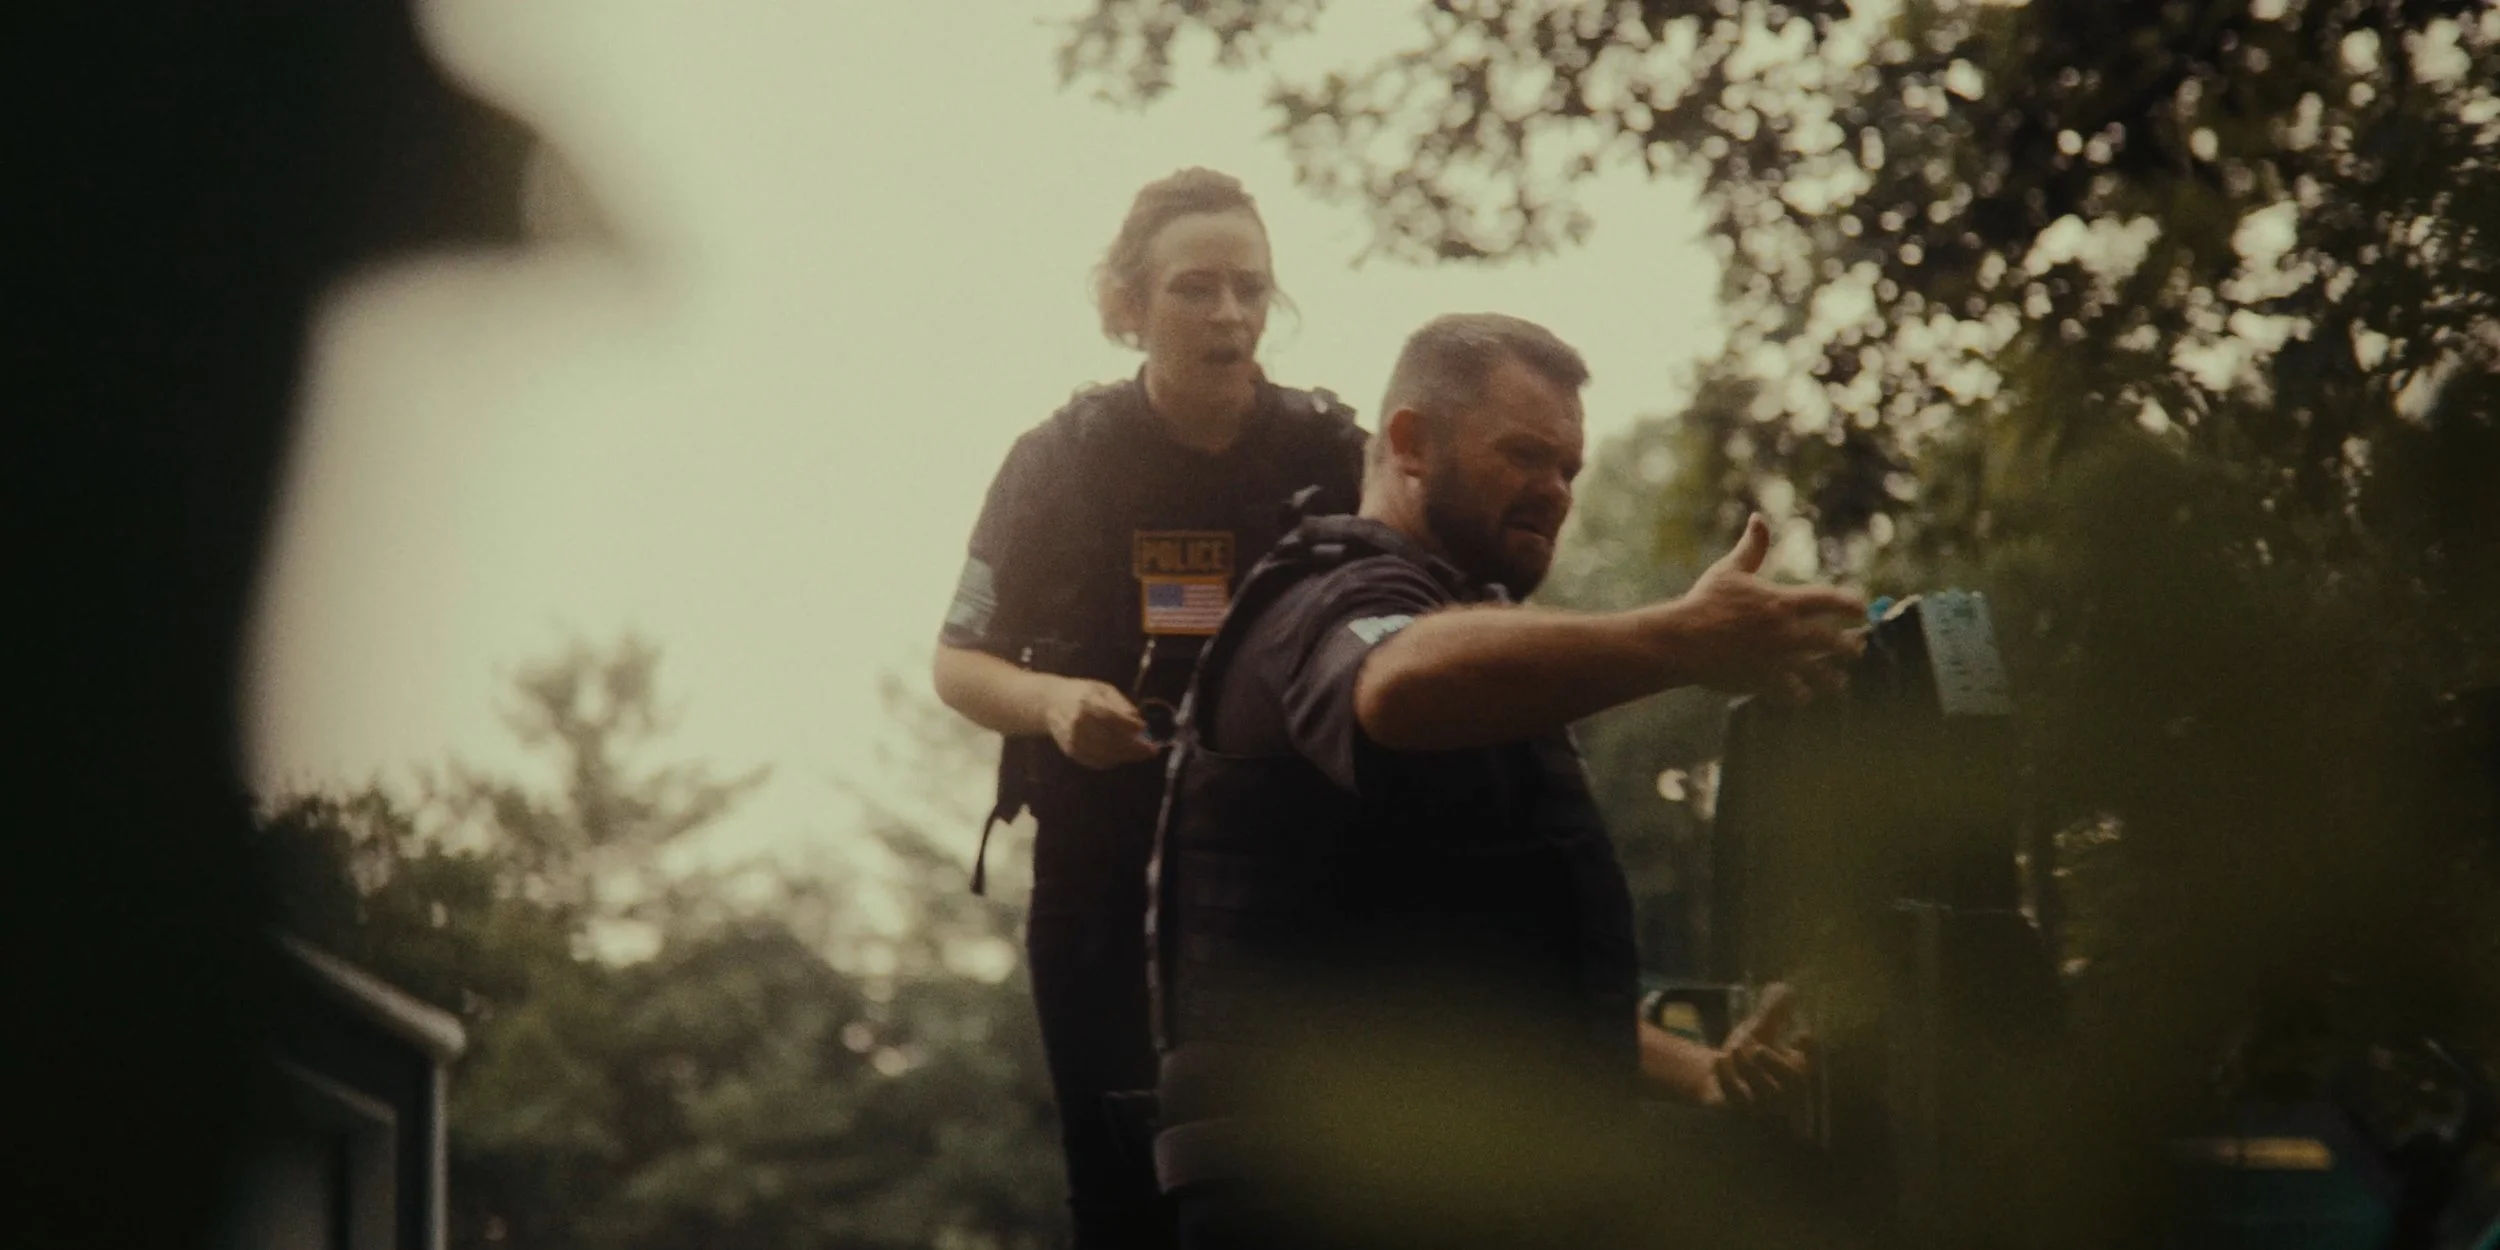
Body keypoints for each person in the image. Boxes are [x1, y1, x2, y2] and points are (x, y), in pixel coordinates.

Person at [1147, 313, 1865, 1249]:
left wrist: (1701, 1073)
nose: (1554, 493)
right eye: (1526, 456)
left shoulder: (1472, 644)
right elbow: (1394, 682)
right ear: (1409, 443)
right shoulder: (1327, 597)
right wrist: (1678, 640)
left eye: (1570, 469)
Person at [931, 168, 1367, 1249]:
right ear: (1128, 304)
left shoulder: (1333, 455)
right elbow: (956, 660)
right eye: (1195, 288)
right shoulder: (1058, 460)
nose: (1228, 314)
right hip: (1100, 883)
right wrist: (1055, 703)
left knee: (1303, 1198)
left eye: (1251, 289)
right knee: (1122, 1203)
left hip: (1297, 881)